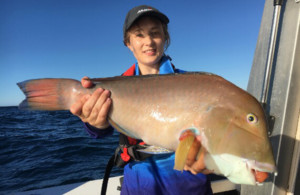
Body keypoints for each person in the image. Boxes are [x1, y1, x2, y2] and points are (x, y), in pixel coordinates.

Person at [70, 5, 213, 195]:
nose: (149, 42)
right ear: (128, 43)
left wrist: (211, 154)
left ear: (165, 38)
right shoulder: (115, 88)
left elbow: (214, 129)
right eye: (139, 35)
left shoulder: (193, 84)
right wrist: (94, 122)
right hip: (138, 187)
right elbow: (100, 132)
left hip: (188, 185)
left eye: (155, 33)